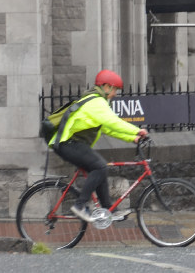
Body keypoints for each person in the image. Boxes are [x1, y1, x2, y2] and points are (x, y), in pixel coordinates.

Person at [50, 69, 149, 223]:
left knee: (100, 168)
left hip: (74, 144)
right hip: (67, 143)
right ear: (105, 86)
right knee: (100, 166)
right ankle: (79, 206)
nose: (115, 93)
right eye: (114, 89)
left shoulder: (98, 101)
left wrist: (133, 138)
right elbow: (113, 122)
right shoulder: (96, 102)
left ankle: (109, 209)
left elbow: (107, 129)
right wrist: (137, 130)